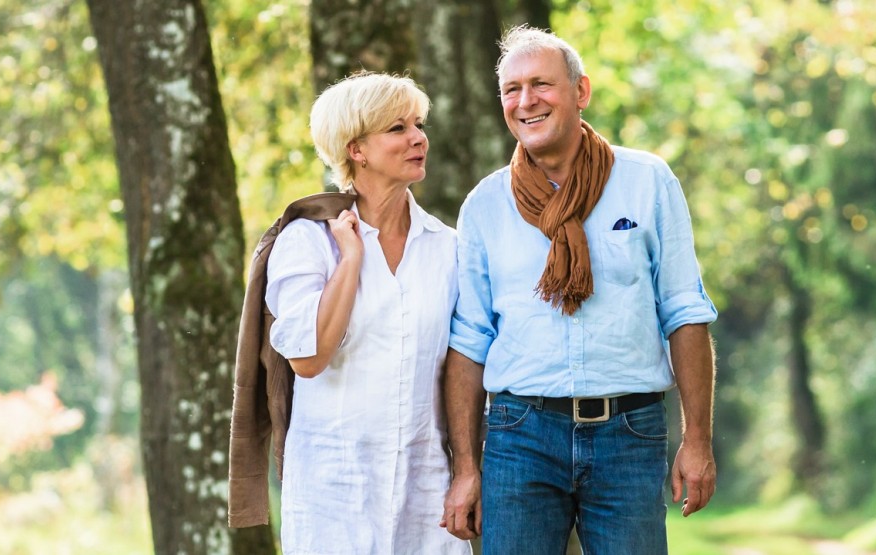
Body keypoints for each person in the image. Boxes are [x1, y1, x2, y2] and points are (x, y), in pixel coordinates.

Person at [438, 26, 719, 554]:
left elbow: (684, 311)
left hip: (630, 433)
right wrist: (465, 467)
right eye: (511, 90)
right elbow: (470, 339)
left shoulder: (648, 181)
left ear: (581, 92)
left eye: (541, 84)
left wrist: (697, 439)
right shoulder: (485, 205)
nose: (525, 102)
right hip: (518, 434)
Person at [254, 71, 471, 554]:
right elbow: (308, 358)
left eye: (417, 124)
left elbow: (462, 366)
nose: (418, 138)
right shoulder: (307, 241)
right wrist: (351, 260)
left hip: (426, 488)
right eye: (397, 129)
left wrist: (467, 470)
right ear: (356, 149)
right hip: (334, 491)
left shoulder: (447, 247)